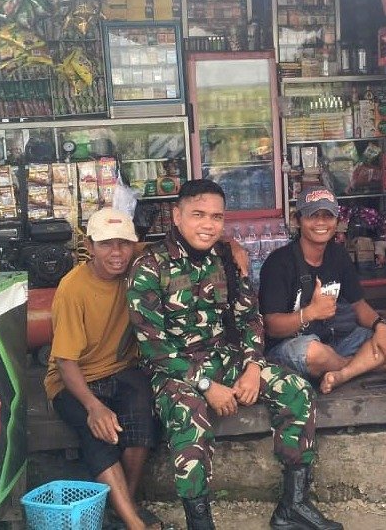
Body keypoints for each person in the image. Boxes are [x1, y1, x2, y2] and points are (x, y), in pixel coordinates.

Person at [127, 179, 342, 530]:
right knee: (188, 414)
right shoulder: (150, 267)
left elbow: (250, 319)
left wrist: (253, 367)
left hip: (225, 357)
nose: (208, 224)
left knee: (298, 390)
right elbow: (154, 348)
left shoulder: (226, 258)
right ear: (177, 216)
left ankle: (293, 506)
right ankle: (200, 522)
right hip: (175, 369)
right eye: (198, 214)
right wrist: (206, 385)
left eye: (216, 217)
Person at [44, 208, 160, 530]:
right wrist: (93, 407)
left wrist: (231, 246)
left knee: (141, 419)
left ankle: (123, 509)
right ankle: (134, 523)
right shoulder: (72, 288)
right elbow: (65, 361)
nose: (116, 252)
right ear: (90, 247)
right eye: (106, 244)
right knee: (97, 432)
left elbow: (173, 246)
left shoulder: (136, 266)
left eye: (124, 243)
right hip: (73, 378)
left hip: (120, 369)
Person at [258, 186, 386, 394]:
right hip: (292, 346)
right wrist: (310, 313)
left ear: (337, 222)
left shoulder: (338, 255)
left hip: (336, 341)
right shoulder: (279, 263)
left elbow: (359, 305)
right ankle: (364, 366)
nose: (321, 223)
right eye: (313, 216)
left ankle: (342, 374)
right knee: (314, 353)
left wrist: (380, 326)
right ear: (297, 220)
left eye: (328, 216)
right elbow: (271, 327)